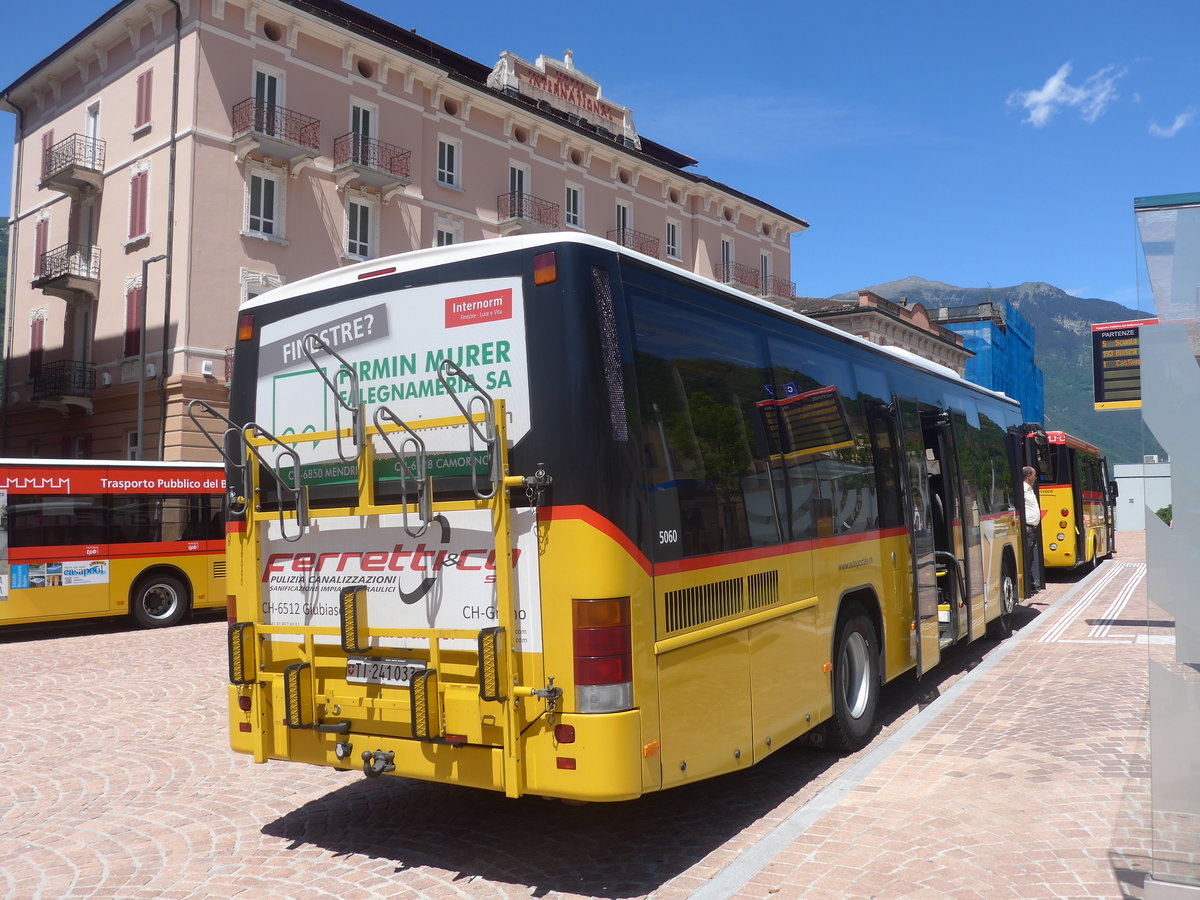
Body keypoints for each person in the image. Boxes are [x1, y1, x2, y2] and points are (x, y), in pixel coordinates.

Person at [1022, 466, 1045, 592]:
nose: (1036, 477)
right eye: (1034, 475)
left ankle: (1029, 582)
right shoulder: (1023, 489)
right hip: (1027, 528)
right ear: (1029, 475)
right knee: (1027, 555)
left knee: (1030, 556)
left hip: (1032, 528)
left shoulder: (1029, 489)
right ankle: (1028, 583)